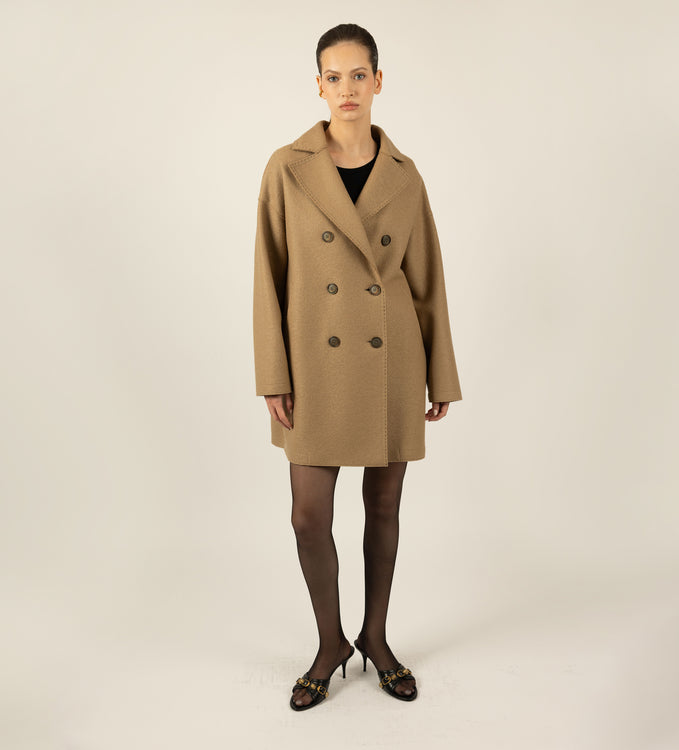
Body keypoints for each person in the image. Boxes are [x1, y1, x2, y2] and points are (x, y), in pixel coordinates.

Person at [253, 23, 462, 711]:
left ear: (377, 82)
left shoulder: (405, 175)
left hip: (388, 361)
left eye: (358, 75)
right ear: (319, 86)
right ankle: (329, 643)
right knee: (308, 516)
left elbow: (426, 279)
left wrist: (441, 374)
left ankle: (375, 635)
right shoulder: (287, 167)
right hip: (314, 362)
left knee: (384, 506)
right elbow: (268, 275)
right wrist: (273, 374)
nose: (347, 88)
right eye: (334, 77)